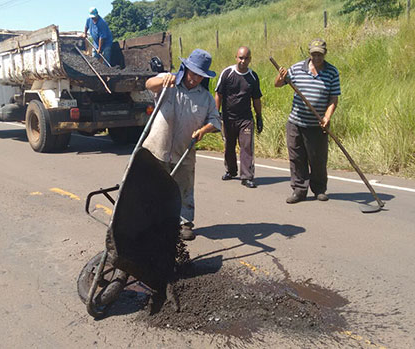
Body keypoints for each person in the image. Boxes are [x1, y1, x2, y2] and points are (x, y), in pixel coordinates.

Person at [142, 49, 221, 241]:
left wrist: (203, 130)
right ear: (185, 69)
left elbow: (215, 121)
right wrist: (163, 80)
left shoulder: (206, 98)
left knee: (184, 187)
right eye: (192, 73)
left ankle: (185, 222)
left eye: (200, 76)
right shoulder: (169, 82)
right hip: (156, 147)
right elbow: (148, 84)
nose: (194, 79)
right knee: (152, 187)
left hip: (184, 150)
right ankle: (149, 220)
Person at [274, 38, 340, 204]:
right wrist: (281, 77)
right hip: (296, 122)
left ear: (325, 54)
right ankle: (299, 190)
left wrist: (327, 117)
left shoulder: (332, 72)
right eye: (314, 54)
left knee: (317, 158)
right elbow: (278, 84)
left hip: (317, 124)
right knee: (297, 157)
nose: (317, 58)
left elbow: (333, 98)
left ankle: (319, 189)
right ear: (309, 54)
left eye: (320, 55)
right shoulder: (297, 68)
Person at [215, 46, 263, 188]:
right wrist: (216, 114)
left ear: (250, 59)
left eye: (246, 58)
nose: (243, 61)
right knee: (229, 146)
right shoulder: (227, 73)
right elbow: (219, 94)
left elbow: (256, 99)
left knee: (246, 147)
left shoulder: (252, 77)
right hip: (228, 118)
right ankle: (231, 171)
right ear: (236, 57)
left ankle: (247, 176)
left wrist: (259, 116)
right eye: (240, 58)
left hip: (245, 119)